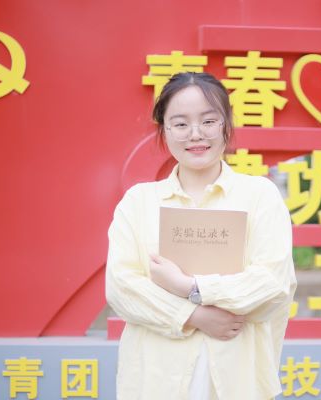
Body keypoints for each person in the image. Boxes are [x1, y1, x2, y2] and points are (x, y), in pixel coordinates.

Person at [105, 72, 297, 400]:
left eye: (208, 121)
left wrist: (190, 287)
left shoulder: (260, 196)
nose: (196, 134)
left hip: (238, 381)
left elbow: (272, 286)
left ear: (226, 124)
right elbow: (122, 289)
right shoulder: (139, 202)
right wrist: (194, 316)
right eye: (180, 124)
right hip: (155, 383)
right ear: (164, 130)